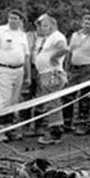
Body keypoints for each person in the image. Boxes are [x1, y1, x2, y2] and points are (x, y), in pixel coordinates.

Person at [0, 9, 30, 142]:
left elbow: (27, 56)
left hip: (19, 71)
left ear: (21, 21)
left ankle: (10, 128)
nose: (12, 20)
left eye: (16, 18)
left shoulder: (22, 35)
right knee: (5, 100)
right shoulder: (0, 31)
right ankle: (0, 129)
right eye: (11, 18)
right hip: (3, 70)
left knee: (14, 102)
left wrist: (28, 75)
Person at [64, 14, 90, 135]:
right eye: (85, 23)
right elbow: (69, 53)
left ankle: (82, 125)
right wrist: (66, 69)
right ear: (82, 23)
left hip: (87, 70)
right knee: (67, 96)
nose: (87, 25)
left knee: (85, 98)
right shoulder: (75, 35)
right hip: (74, 69)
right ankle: (67, 123)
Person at [34, 15, 69, 145]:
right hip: (46, 73)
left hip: (52, 74)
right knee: (51, 102)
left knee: (53, 103)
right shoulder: (50, 38)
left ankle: (55, 133)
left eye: (44, 25)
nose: (42, 28)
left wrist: (54, 58)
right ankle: (53, 130)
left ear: (52, 25)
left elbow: (64, 49)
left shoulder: (57, 36)